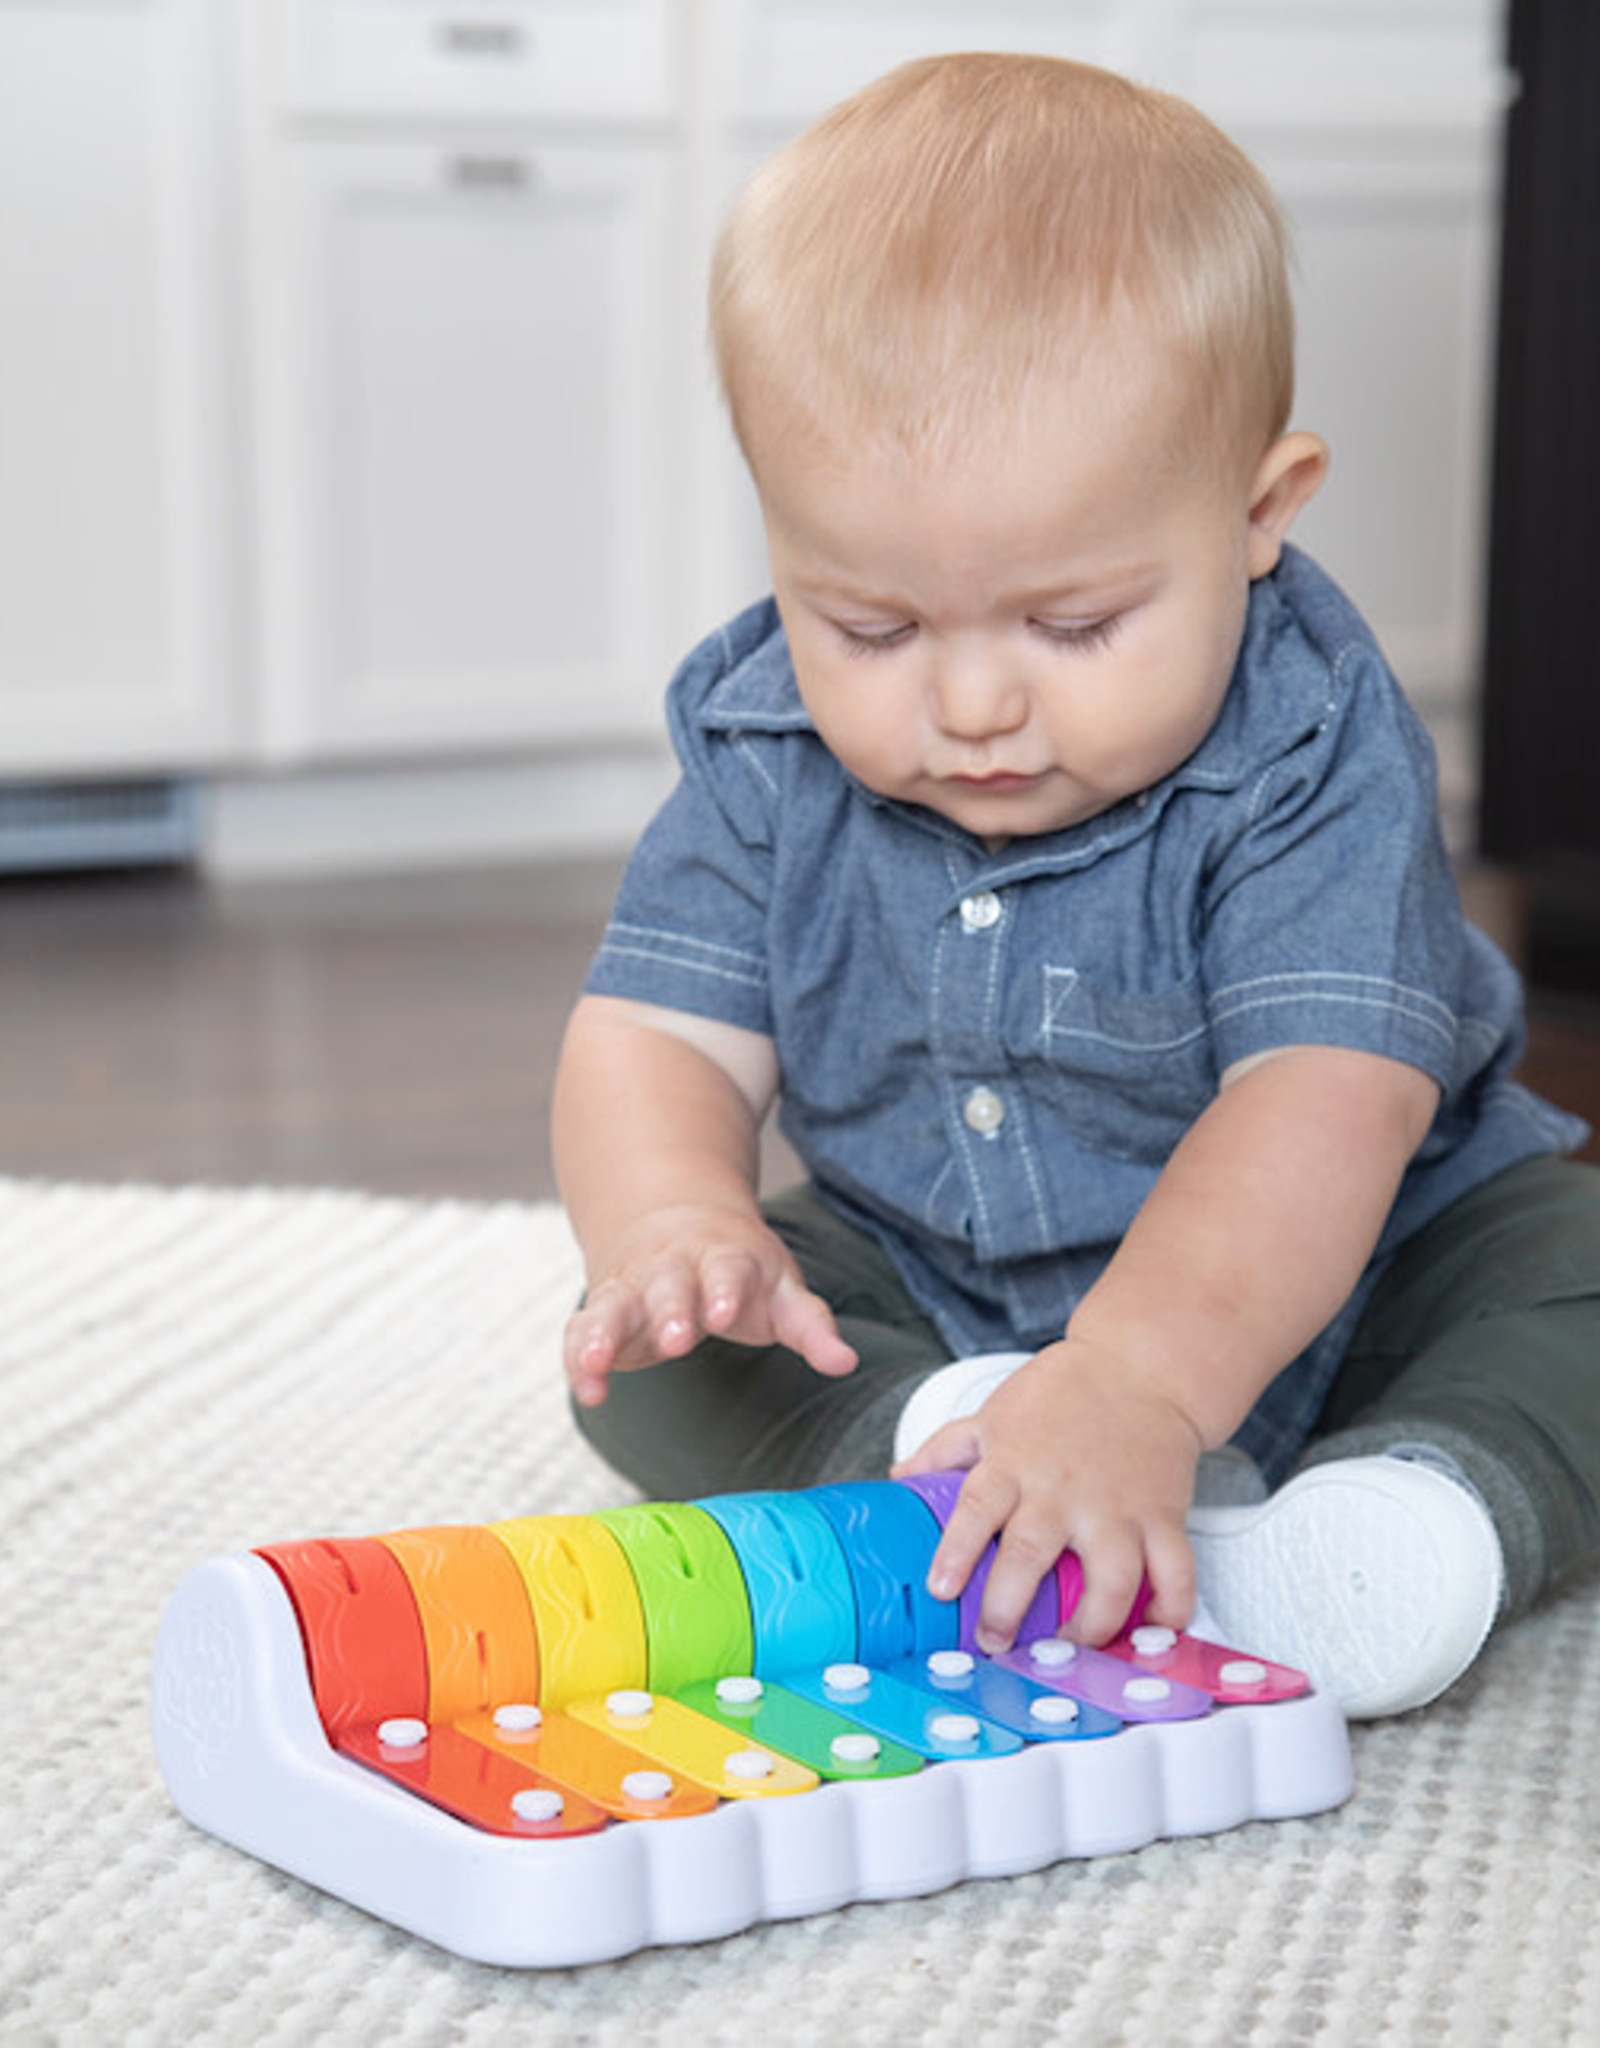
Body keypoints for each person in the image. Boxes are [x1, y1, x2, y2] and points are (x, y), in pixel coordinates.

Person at [552, 52, 1600, 1719]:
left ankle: (1415, 1509)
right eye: (873, 628)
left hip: (1380, 1254)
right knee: (653, 1355)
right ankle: (947, 1452)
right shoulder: (762, 743)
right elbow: (655, 1037)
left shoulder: (1309, 742)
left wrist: (1137, 1377)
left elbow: (1320, 1104)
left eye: (1074, 625)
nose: (970, 705)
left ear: (1259, 514)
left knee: (1578, 1286)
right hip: (937, 1268)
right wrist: (678, 1219)